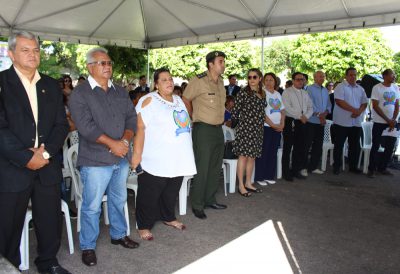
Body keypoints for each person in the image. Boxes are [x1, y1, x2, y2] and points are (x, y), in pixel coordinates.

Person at [0, 31, 70, 274]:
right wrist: (26, 157)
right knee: (7, 224)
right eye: (25, 50)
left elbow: (62, 125)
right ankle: (8, 266)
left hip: (46, 166)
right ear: (11, 54)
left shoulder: (51, 85)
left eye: (36, 50)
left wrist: (45, 155)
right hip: (11, 168)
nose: (33, 54)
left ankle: (48, 262)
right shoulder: (2, 83)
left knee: (49, 219)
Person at [68, 47, 139, 267]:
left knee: (119, 199)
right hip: (96, 159)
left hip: (120, 156)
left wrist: (125, 142)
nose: (107, 66)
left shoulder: (120, 91)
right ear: (90, 67)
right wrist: (113, 144)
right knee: (92, 206)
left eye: (109, 63)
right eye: (102, 63)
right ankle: (88, 246)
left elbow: (131, 118)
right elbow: (86, 127)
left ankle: (118, 234)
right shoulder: (80, 94)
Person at [132, 68, 196, 241]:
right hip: (155, 157)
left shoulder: (178, 99)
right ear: (156, 84)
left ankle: (168, 217)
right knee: (150, 192)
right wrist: (136, 155)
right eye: (164, 80)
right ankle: (143, 224)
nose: (169, 82)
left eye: (170, 79)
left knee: (171, 190)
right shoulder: (149, 100)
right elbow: (139, 127)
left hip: (178, 156)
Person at [182, 51, 227, 219]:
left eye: (223, 61)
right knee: (203, 167)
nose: (223, 64)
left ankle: (209, 199)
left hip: (217, 129)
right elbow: (185, 99)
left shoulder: (221, 82)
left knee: (215, 167)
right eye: (220, 61)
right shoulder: (198, 80)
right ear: (211, 64)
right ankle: (197, 204)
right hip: (203, 129)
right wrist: (193, 117)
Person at [232, 69, 267, 196]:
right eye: (249, 77)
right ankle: (241, 185)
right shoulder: (243, 92)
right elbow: (235, 111)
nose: (251, 79)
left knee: (252, 158)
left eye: (254, 77)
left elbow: (262, 113)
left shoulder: (263, 93)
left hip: (257, 130)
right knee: (243, 157)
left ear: (259, 78)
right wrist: (239, 125)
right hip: (245, 129)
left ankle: (248, 183)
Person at [332, 67, 368, 175]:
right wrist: (354, 110)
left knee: (354, 146)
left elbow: (365, 102)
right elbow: (339, 101)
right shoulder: (340, 87)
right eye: (351, 75)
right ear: (346, 76)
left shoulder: (360, 89)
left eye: (355, 75)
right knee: (339, 145)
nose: (353, 77)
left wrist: (359, 111)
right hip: (341, 122)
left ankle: (353, 167)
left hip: (356, 123)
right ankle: (336, 166)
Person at [367, 69, 399, 178]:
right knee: (375, 146)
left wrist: (393, 119)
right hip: (379, 122)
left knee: (390, 147)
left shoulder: (395, 87)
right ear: (385, 76)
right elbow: (375, 106)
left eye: (394, 75)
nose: (394, 76)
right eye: (392, 74)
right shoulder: (377, 88)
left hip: (392, 122)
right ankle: (371, 169)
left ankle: (383, 168)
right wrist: (387, 120)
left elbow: (397, 105)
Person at [281, 72, 313, 181]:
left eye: (302, 79)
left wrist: (306, 116)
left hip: (303, 122)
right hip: (291, 121)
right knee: (288, 148)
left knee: (300, 148)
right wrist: (300, 116)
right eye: (298, 79)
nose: (300, 81)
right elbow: (286, 107)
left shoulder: (305, 93)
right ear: (293, 80)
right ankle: (286, 172)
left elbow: (310, 107)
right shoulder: (287, 92)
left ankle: (295, 170)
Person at [254, 72, 285, 186]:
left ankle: (269, 175)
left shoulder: (277, 94)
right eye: (266, 80)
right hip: (266, 127)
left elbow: (282, 110)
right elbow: (261, 112)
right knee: (264, 152)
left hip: (277, 128)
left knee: (273, 152)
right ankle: (260, 177)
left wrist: (282, 123)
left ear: (275, 81)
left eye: (271, 80)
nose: (268, 82)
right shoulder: (262, 93)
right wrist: (272, 125)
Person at [304, 71, 331, 175]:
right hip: (311, 121)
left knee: (318, 146)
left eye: (323, 76)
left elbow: (329, 105)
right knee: (307, 145)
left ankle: (313, 167)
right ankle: (304, 167)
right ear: (314, 78)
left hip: (321, 122)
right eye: (320, 76)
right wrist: (320, 115)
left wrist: (325, 113)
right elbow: (309, 104)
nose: (322, 78)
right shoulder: (309, 89)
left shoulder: (325, 90)